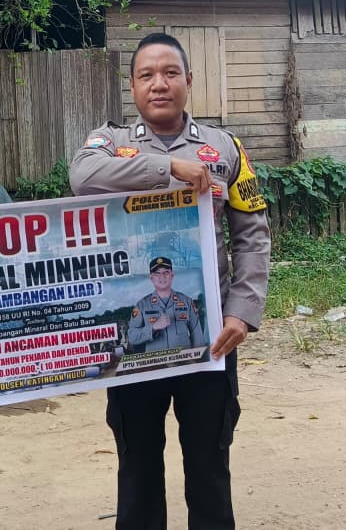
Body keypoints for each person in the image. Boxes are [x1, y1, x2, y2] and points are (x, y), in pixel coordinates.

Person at [70, 32, 271, 530]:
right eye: (146, 75)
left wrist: (242, 313)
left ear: (188, 81)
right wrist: (167, 167)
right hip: (139, 343)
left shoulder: (225, 148)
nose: (159, 84)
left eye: (169, 73)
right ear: (133, 86)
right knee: (137, 467)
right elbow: (81, 177)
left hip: (209, 336)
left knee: (208, 463)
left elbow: (252, 235)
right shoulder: (110, 143)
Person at [128, 256, 205, 352]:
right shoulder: (141, 306)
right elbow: (132, 336)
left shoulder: (187, 302)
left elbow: (197, 337)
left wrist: (199, 362)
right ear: (151, 277)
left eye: (166, 272)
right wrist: (153, 328)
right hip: (156, 364)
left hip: (184, 362)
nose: (162, 277)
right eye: (157, 273)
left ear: (172, 275)